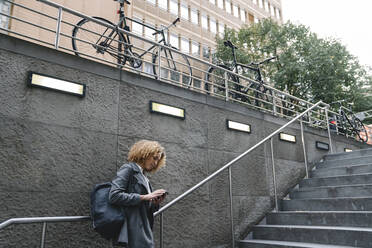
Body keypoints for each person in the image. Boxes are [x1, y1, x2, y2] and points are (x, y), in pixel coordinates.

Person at [109, 140, 167, 247]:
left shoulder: (144, 177)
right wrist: (144, 197)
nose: (155, 163)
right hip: (131, 230)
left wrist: (155, 202)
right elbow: (114, 195)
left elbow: (144, 206)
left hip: (143, 229)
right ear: (144, 154)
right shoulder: (129, 169)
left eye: (158, 161)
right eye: (154, 158)